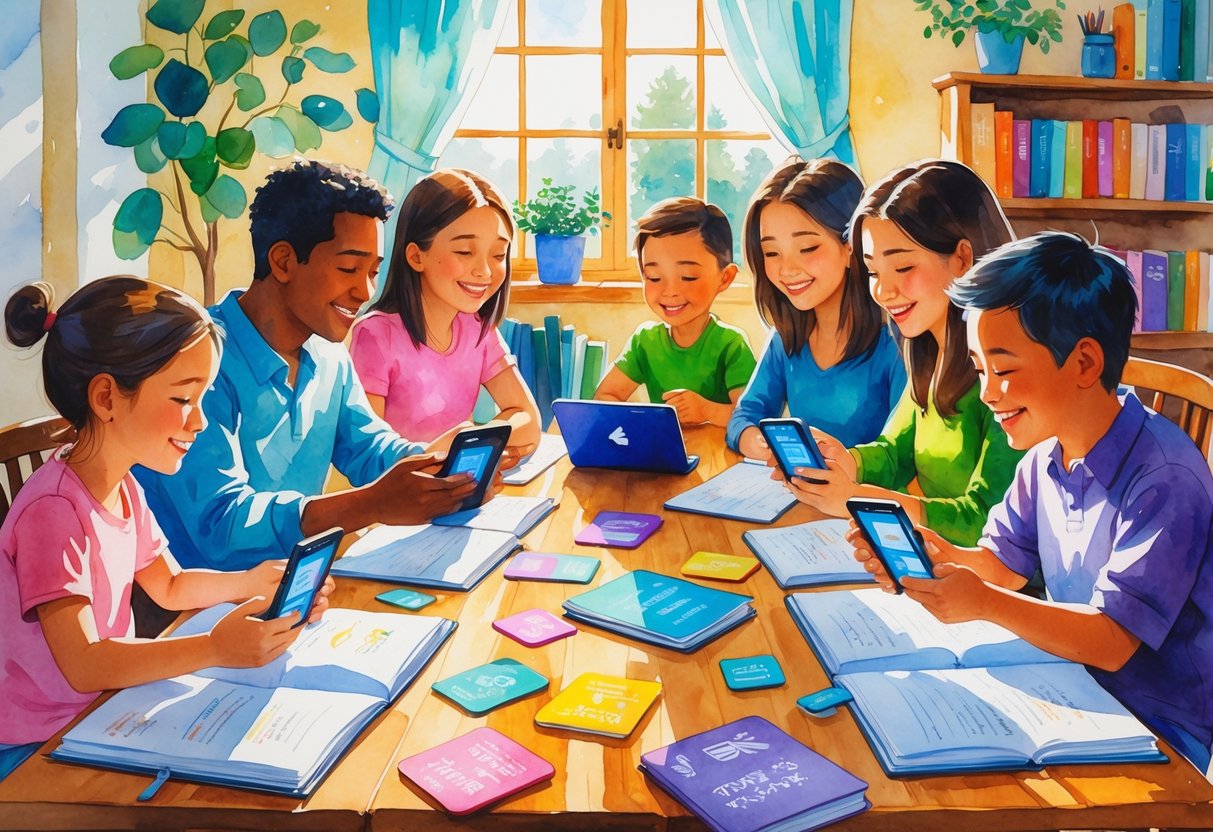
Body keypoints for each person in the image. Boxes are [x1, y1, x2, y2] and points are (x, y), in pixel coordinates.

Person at [851, 231, 1213, 776]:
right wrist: (941, 557)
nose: (987, 393)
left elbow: (1114, 641)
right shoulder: (1044, 458)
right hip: (1073, 687)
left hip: (1160, 733)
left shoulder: (1165, 477)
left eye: (1004, 370)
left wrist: (985, 603)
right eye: (979, 370)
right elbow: (1003, 565)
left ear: (1084, 363)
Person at [0, 277, 330, 781]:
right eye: (183, 399)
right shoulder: (53, 511)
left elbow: (170, 585)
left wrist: (252, 582)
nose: (199, 423)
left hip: (100, 716)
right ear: (106, 397)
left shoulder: (122, 486)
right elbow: (85, 664)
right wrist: (215, 648)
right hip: (35, 750)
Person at [136, 160, 483, 573]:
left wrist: (439, 466)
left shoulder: (328, 355)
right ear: (283, 261)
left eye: (373, 272)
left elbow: (369, 449)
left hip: (299, 586)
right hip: (203, 602)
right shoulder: (196, 359)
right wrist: (369, 504)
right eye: (349, 269)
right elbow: (220, 528)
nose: (365, 291)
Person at [786, 160, 1024, 546]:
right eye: (873, 272)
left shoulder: (1010, 372)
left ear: (963, 258)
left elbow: (985, 520)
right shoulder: (930, 350)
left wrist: (858, 498)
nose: (882, 291)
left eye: (903, 267)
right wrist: (846, 461)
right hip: (935, 560)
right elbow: (896, 451)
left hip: (990, 574)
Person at [350, 169, 540, 454]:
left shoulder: (478, 329)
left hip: (460, 479)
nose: (485, 271)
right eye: (464, 252)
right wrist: (456, 447)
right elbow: (369, 454)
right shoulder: (375, 335)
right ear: (416, 256)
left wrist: (471, 440)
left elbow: (528, 418)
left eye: (498, 255)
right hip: (402, 481)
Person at [726, 157, 905, 457]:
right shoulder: (785, 339)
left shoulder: (896, 343)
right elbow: (744, 416)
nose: (787, 270)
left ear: (851, 246)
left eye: (807, 248)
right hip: (800, 484)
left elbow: (901, 453)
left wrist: (840, 468)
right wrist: (762, 445)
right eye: (771, 252)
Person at [594, 197, 756, 426]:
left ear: (725, 278)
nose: (670, 292)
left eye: (688, 277)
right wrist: (644, 420)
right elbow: (605, 397)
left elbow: (751, 417)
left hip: (718, 448)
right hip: (661, 447)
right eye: (654, 278)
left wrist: (707, 411)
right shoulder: (645, 341)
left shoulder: (731, 344)